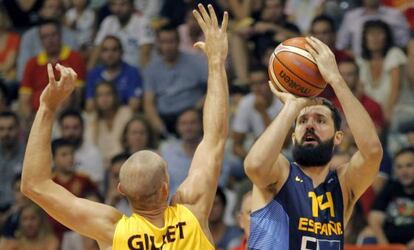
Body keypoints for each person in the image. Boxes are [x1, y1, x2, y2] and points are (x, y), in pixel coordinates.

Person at [21, 4, 229, 250]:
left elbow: (34, 185)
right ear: (166, 188)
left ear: (121, 190)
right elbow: (214, 137)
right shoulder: (192, 210)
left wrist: (47, 107)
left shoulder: (112, 229)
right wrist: (216, 63)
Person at [244, 36, 383, 249]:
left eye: (320, 120)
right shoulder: (280, 172)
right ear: (293, 136)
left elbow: (372, 151)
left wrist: (336, 79)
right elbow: (254, 165)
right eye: (302, 121)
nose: (310, 126)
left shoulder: (344, 185)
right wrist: (292, 106)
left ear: (338, 137)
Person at [369, 146, 414, 248]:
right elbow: (374, 218)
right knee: (368, 235)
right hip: (390, 244)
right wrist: (385, 246)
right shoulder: (391, 187)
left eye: (409, 165)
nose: (404, 171)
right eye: (399, 167)